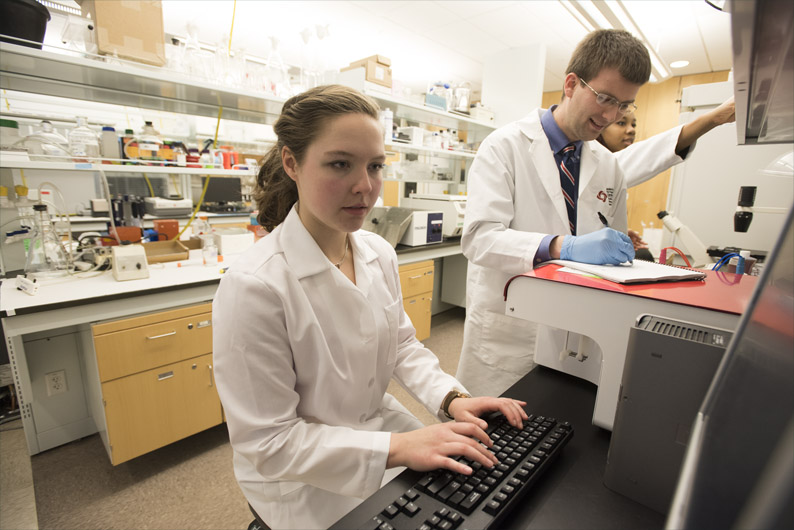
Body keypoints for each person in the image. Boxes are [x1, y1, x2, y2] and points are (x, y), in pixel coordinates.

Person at [212, 85, 528, 530]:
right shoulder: (255, 286)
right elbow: (270, 442)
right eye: (340, 164)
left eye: (375, 166)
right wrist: (399, 448)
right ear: (291, 163)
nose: (365, 187)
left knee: (476, 492)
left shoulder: (378, 252)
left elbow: (401, 345)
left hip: (377, 432)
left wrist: (453, 399)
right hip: (301, 479)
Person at [456, 29, 685, 398]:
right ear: (571, 84)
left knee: (563, 429)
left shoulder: (609, 166)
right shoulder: (504, 147)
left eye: (624, 105)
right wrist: (564, 246)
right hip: (511, 329)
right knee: (492, 440)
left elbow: (614, 244)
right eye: (605, 98)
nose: (612, 116)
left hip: (579, 332)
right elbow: (479, 239)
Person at [597, 99, 736, 256]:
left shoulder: (610, 166)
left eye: (633, 125)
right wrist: (714, 118)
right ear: (600, 128)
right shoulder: (596, 163)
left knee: (644, 255)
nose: (631, 130)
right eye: (621, 123)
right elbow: (649, 153)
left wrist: (615, 229)